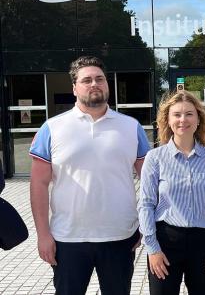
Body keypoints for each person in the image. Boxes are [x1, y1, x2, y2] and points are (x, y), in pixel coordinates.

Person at [29, 56, 150, 295]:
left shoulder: (131, 127)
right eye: (86, 80)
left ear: (107, 84)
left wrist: (146, 227)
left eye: (99, 79)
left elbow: (149, 181)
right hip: (68, 238)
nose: (94, 84)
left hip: (120, 236)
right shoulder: (52, 128)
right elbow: (38, 185)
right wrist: (43, 235)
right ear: (74, 88)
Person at [138, 90, 205, 295]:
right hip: (165, 242)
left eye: (189, 113)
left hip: (204, 244)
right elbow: (145, 205)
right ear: (168, 120)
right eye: (177, 114)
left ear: (198, 119)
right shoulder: (155, 158)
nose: (183, 119)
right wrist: (152, 248)